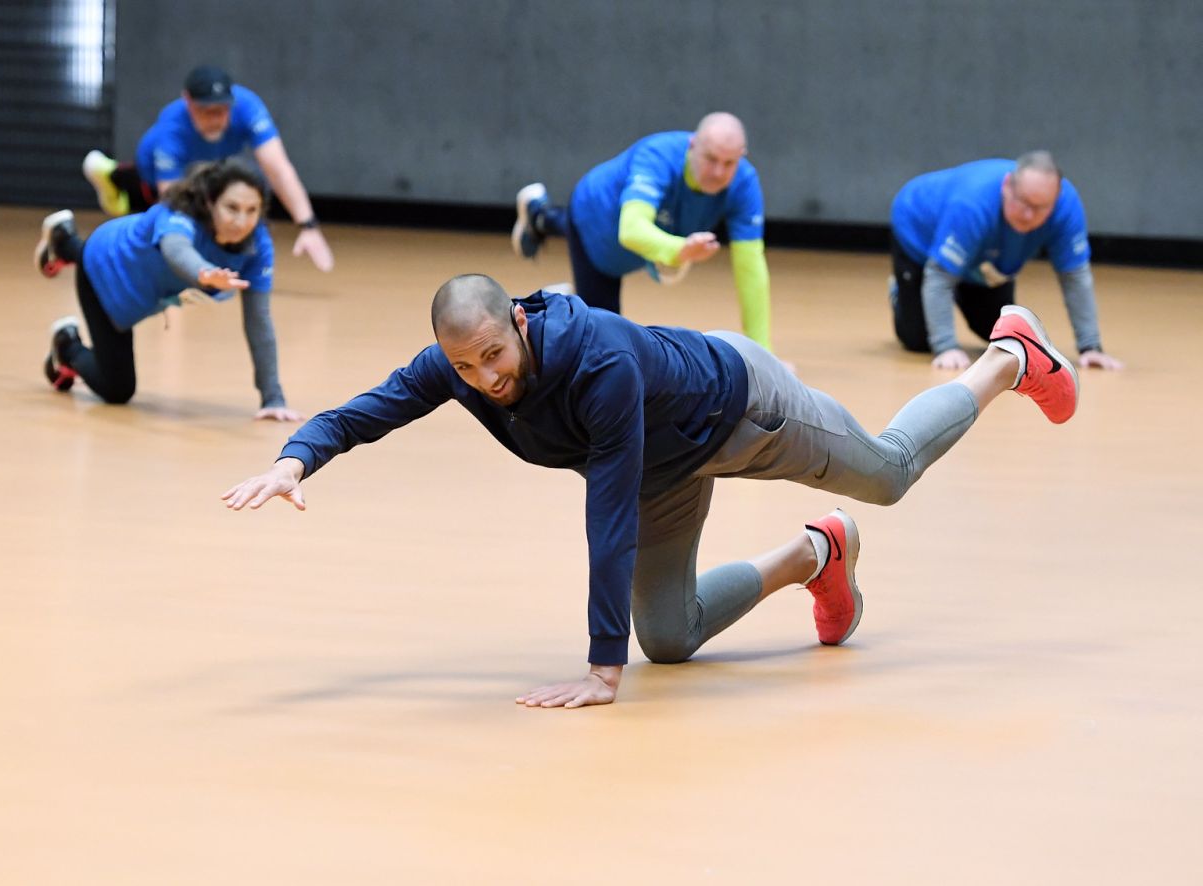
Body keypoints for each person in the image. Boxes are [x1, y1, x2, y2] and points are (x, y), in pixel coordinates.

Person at [223, 273, 1079, 709]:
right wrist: (294, 460)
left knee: (889, 474)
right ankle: (816, 552)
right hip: (667, 462)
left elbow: (610, 513)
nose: (485, 376)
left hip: (744, 407)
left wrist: (601, 667)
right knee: (669, 640)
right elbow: (369, 410)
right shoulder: (454, 366)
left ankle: (1010, 355)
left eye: (494, 354)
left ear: (518, 322)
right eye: (464, 365)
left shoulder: (597, 363)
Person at [33, 158, 300, 420]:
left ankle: (64, 240)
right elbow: (176, 250)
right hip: (104, 267)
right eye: (232, 207)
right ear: (210, 201)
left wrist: (273, 397)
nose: (241, 221)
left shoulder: (257, 246)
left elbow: (259, 321)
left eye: (252, 210)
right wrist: (203, 273)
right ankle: (67, 345)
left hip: (141, 289)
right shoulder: (180, 213)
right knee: (117, 390)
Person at [511, 112, 774, 350]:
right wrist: (679, 249)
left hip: (654, 233)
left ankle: (539, 215)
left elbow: (750, 266)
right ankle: (559, 305)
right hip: (597, 220)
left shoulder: (744, 183)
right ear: (692, 145)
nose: (718, 172)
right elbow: (631, 230)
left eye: (729, 163)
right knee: (602, 343)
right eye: (711, 159)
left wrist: (762, 354)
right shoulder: (657, 156)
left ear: (742, 155)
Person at [80, 64, 333, 272]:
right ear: (187, 101)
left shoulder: (248, 107)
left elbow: (278, 168)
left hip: (208, 171)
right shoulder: (171, 131)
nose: (215, 119)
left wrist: (308, 225)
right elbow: (173, 201)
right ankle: (112, 179)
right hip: (150, 178)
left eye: (221, 111)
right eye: (206, 111)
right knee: (147, 220)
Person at [889, 151, 1122, 371]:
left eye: (1040, 208)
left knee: (1002, 338)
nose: (1029, 215)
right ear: (1006, 186)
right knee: (918, 340)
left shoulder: (1067, 208)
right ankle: (901, 291)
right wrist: (946, 346)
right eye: (1024, 202)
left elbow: (1075, 277)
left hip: (986, 258)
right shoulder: (973, 204)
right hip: (919, 234)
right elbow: (939, 276)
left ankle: (960, 282)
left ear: (1056, 198)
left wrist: (1090, 346)